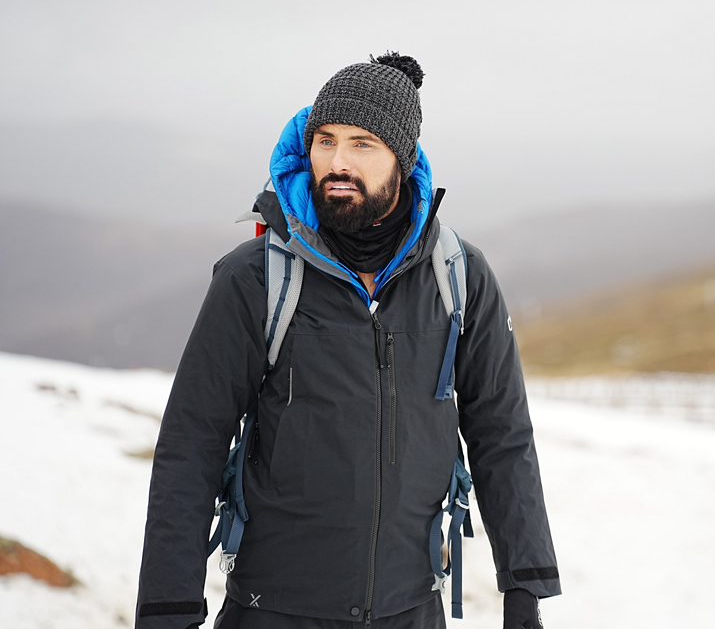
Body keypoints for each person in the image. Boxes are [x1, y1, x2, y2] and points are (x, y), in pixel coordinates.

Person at [135, 52, 560, 629]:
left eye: (362, 144)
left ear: (402, 159)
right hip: (273, 611)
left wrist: (525, 585)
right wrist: (168, 608)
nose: (337, 162)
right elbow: (192, 444)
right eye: (325, 141)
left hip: (413, 607)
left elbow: (501, 434)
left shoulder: (459, 276)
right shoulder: (256, 277)